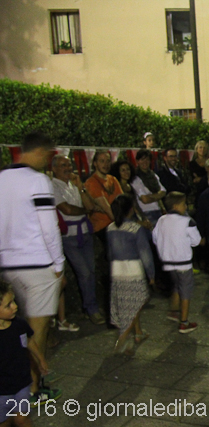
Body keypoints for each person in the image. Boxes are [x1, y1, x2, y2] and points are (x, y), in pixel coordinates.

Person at [0, 132, 64, 403]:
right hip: (38, 264)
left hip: (8, 264)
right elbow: (49, 226)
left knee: (15, 327)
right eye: (47, 155)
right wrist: (59, 263)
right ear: (38, 152)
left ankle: (19, 384)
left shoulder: (1, 179)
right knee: (36, 330)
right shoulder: (38, 181)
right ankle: (33, 388)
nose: (47, 160)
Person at [52, 155, 104, 325]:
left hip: (85, 233)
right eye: (63, 165)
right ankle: (91, 309)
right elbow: (66, 209)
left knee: (91, 271)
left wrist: (81, 188)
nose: (67, 168)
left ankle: (90, 306)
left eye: (69, 165)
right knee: (85, 273)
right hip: (69, 236)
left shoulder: (73, 184)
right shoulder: (53, 186)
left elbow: (90, 206)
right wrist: (85, 211)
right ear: (54, 168)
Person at [0, 280, 54, 422]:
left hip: (22, 382)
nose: (15, 306)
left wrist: (40, 359)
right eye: (8, 305)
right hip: (2, 389)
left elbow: (29, 341)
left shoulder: (19, 324)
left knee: (22, 419)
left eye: (14, 301)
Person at [107, 195, 155, 355]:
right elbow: (145, 253)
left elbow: (109, 252)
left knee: (127, 302)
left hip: (117, 270)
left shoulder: (110, 228)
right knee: (136, 303)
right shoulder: (135, 228)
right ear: (130, 210)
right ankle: (123, 338)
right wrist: (151, 274)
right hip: (133, 270)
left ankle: (138, 332)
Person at [152, 192, 202, 334]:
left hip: (167, 261)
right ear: (176, 206)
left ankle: (173, 311)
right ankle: (184, 322)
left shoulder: (161, 220)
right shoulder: (187, 222)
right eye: (183, 204)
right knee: (185, 290)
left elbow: (155, 238)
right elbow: (196, 241)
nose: (185, 206)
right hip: (183, 262)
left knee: (176, 285)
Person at [85, 150, 123, 245]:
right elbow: (107, 208)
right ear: (95, 163)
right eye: (102, 161)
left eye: (108, 161)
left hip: (115, 222)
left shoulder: (112, 179)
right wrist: (123, 223)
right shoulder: (92, 182)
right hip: (102, 226)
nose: (106, 164)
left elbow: (123, 201)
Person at [110, 159, 152, 230]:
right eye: (123, 170)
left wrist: (144, 219)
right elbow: (121, 211)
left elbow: (136, 205)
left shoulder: (130, 186)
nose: (126, 172)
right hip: (125, 221)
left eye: (128, 169)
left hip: (135, 216)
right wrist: (138, 222)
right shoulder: (117, 188)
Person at [131, 149, 166, 225]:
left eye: (147, 159)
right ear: (137, 161)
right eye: (142, 159)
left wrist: (150, 197)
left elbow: (163, 191)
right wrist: (157, 196)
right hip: (147, 212)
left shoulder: (154, 176)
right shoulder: (135, 178)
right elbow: (145, 199)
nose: (145, 162)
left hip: (159, 210)